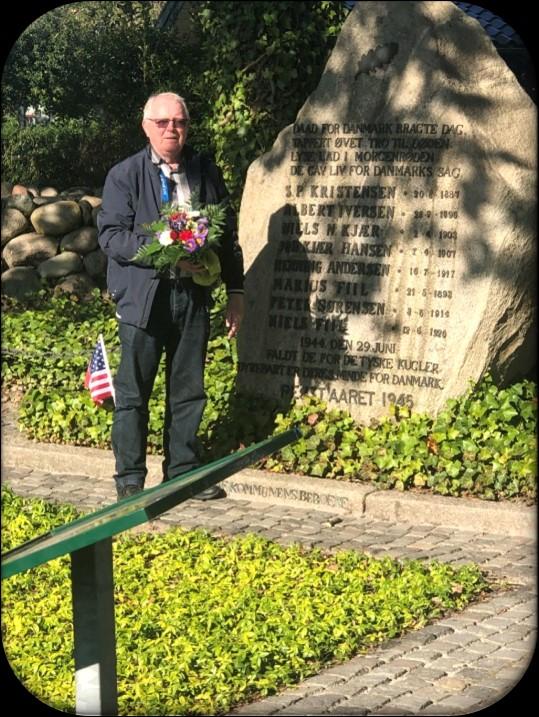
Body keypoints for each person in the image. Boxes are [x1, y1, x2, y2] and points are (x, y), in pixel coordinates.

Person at [98, 92, 244, 501]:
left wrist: (236, 292)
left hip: (192, 299)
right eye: (161, 123)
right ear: (146, 126)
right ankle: (129, 480)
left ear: (188, 125)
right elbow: (111, 237)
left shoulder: (204, 172)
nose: (171, 129)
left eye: (178, 122)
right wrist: (168, 252)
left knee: (189, 390)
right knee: (133, 394)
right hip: (143, 299)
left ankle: (182, 473)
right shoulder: (125, 175)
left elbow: (227, 236)